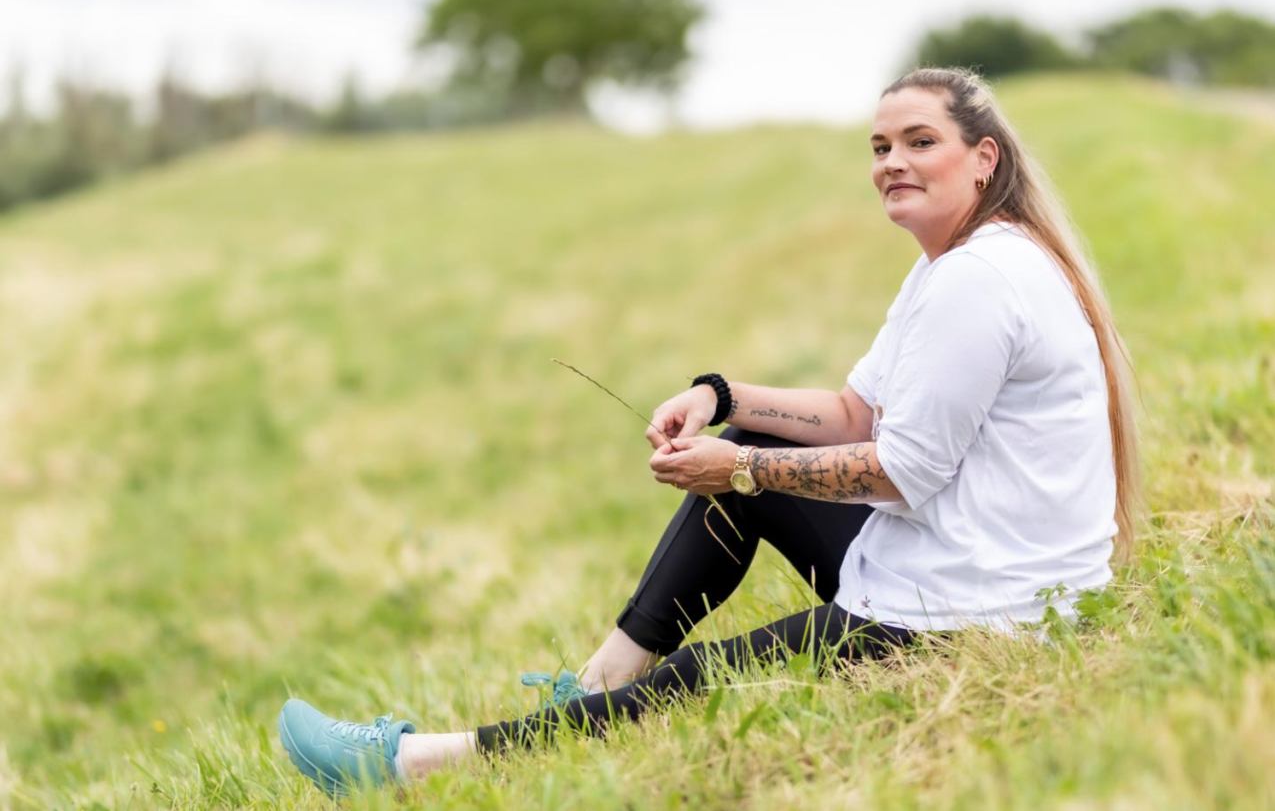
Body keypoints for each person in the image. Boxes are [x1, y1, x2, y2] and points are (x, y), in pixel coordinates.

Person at [276, 67, 1141, 797]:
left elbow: (901, 473)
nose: (891, 163)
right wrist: (720, 396)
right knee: (744, 489)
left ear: (981, 158)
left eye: (919, 142)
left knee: (712, 672)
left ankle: (415, 764)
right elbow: (850, 416)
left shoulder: (978, 279)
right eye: (879, 147)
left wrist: (743, 469)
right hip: (972, 566)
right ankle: (585, 691)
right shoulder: (953, 267)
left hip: (979, 611)